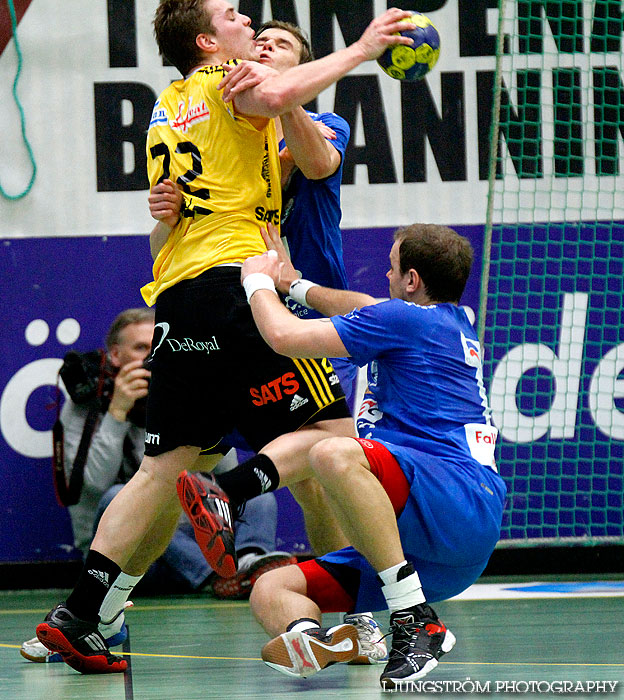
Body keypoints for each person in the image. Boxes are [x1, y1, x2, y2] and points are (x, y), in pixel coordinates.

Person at [35, 0, 416, 675]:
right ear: (209, 41)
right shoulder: (230, 85)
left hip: (189, 297)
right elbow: (264, 99)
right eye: (240, 18)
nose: (254, 26)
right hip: (246, 288)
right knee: (335, 446)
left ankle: (81, 612)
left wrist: (276, 98)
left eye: (273, 37)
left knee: (162, 469)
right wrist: (361, 50)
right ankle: (352, 593)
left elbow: (313, 156)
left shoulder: (174, 103)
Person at [181, 222, 506, 689]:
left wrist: (255, 279)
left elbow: (283, 337)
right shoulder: (448, 321)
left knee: (334, 451)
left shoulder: (405, 320)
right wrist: (293, 283)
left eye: (392, 269)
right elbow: (363, 307)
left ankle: (414, 616)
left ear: (411, 280)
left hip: (453, 495)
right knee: (272, 585)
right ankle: (314, 638)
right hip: (442, 547)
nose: (386, 278)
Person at [20, 308, 294, 663]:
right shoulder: (89, 398)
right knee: (121, 496)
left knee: (251, 489)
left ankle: (248, 563)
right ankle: (226, 576)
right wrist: (118, 413)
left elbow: (214, 475)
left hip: (187, 529)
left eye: (158, 347)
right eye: (139, 348)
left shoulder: (185, 388)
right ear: (115, 355)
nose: (152, 357)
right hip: (123, 551)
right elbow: (89, 487)